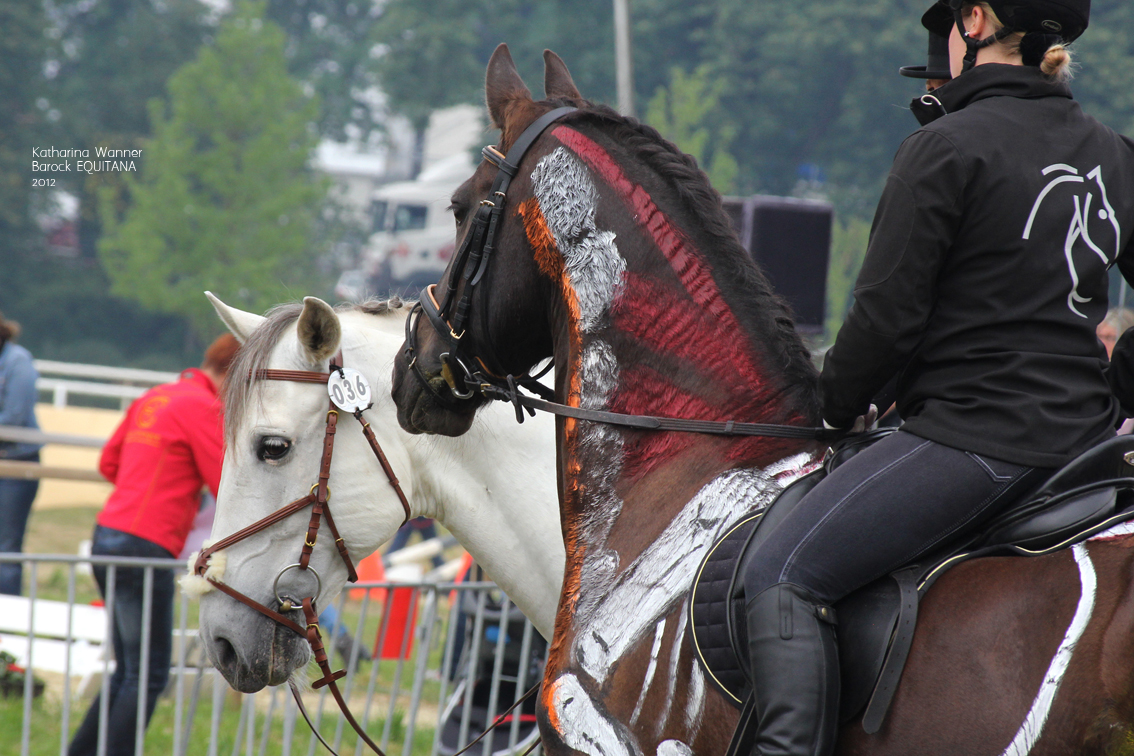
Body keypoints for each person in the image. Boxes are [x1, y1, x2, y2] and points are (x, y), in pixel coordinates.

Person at [740, 2, 1134, 754]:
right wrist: (1119, 390)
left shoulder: (944, 147)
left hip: (974, 440)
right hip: (1087, 450)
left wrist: (832, 407)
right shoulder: (1116, 154)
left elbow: (885, 319)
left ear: (974, 21)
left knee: (782, 571)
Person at [69, 334, 239, 756]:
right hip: (145, 545)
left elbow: (109, 462)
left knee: (129, 669)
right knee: (148, 674)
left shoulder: (156, 396)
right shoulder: (204, 407)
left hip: (107, 535)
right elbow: (225, 481)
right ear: (234, 374)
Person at [0, 313, 42, 596]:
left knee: (6, 548)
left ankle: (7, 615)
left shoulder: (18, 361)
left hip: (17, 463)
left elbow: (14, 418)